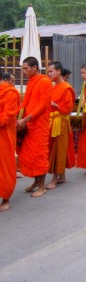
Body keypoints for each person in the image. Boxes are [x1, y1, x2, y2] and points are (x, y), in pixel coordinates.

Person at [16, 56, 52, 197]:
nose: (23, 71)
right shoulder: (32, 81)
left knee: (39, 154)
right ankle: (37, 181)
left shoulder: (44, 81)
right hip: (29, 123)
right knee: (29, 154)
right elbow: (26, 102)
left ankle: (42, 186)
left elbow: (43, 105)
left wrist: (26, 118)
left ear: (34, 68)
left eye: (26, 68)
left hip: (39, 123)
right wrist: (19, 116)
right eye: (23, 69)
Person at [47, 62, 76, 190]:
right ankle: (62, 176)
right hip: (53, 121)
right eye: (48, 71)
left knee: (59, 150)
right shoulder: (53, 87)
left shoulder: (66, 88)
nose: (49, 74)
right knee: (55, 148)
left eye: (51, 71)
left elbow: (67, 109)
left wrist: (54, 104)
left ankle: (55, 177)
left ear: (58, 71)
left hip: (61, 122)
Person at [0, 72, 20, 211]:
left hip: (4, 135)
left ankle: (6, 197)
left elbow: (7, 116)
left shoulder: (10, 93)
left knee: (4, 166)